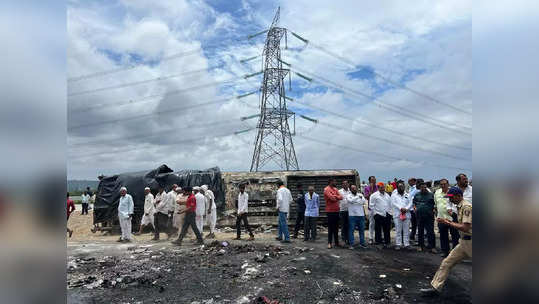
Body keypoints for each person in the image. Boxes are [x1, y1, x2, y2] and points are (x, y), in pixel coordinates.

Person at [420, 187, 472, 297]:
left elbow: (465, 227)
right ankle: (435, 287)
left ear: (458, 196)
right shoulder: (459, 206)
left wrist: (447, 223)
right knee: (446, 263)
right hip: (463, 243)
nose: (450, 200)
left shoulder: (466, 207)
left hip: (471, 243)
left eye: (451, 197)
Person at [434, 179, 460, 257]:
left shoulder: (453, 191)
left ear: (448, 184)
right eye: (441, 184)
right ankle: (445, 251)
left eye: (444, 184)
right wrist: (437, 214)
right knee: (443, 235)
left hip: (452, 218)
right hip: (441, 217)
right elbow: (436, 204)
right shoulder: (437, 192)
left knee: (455, 236)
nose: (443, 185)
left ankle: (455, 253)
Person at [414, 182, 437, 253]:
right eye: (422, 187)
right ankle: (420, 246)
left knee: (430, 232)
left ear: (426, 187)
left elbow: (435, 204)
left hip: (429, 216)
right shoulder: (417, 195)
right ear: (420, 188)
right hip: (419, 216)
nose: (423, 188)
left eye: (424, 187)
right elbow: (414, 203)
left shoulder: (431, 195)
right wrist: (415, 208)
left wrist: (433, 210)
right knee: (420, 231)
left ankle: (432, 247)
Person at [391, 181, 412, 250]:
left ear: (404, 187)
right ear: (397, 188)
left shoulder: (408, 195)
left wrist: (406, 208)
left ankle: (406, 244)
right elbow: (394, 203)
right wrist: (401, 208)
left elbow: (411, 203)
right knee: (398, 230)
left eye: (402, 186)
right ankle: (398, 244)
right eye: (399, 187)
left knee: (406, 230)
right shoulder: (394, 195)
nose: (401, 188)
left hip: (406, 214)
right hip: (397, 215)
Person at [370, 182, 392, 248]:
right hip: (378, 214)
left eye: (383, 187)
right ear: (378, 187)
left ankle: (387, 241)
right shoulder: (374, 195)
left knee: (387, 229)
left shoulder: (387, 195)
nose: (382, 188)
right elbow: (371, 205)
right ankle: (378, 242)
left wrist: (390, 213)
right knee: (378, 229)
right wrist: (375, 214)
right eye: (381, 187)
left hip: (387, 214)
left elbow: (390, 204)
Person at [324, 178, 343, 249]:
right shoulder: (326, 189)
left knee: (336, 228)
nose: (335, 182)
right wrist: (336, 197)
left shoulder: (335, 189)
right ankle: (329, 243)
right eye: (334, 181)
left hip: (336, 211)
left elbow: (341, 197)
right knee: (330, 228)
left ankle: (337, 243)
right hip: (330, 211)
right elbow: (332, 199)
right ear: (330, 182)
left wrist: (335, 196)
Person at [347, 185, 367, 249]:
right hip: (352, 215)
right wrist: (357, 198)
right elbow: (351, 201)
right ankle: (351, 244)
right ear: (350, 189)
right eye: (353, 188)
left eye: (355, 188)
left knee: (361, 230)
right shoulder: (348, 195)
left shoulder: (360, 194)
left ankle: (362, 243)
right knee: (351, 230)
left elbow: (363, 202)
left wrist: (357, 200)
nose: (354, 189)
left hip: (361, 215)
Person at [364, 176, 378, 244]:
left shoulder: (378, 187)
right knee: (371, 223)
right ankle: (370, 238)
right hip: (371, 208)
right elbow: (366, 197)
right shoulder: (367, 188)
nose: (374, 181)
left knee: (378, 224)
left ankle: (378, 237)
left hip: (378, 208)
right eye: (372, 180)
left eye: (374, 180)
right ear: (369, 181)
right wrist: (371, 190)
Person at [338, 181, 351, 245]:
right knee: (343, 225)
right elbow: (337, 200)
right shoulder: (339, 191)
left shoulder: (350, 191)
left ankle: (348, 239)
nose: (345, 185)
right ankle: (343, 239)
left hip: (350, 210)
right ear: (342, 185)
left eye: (346, 183)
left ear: (348, 184)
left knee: (349, 225)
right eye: (344, 184)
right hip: (342, 210)